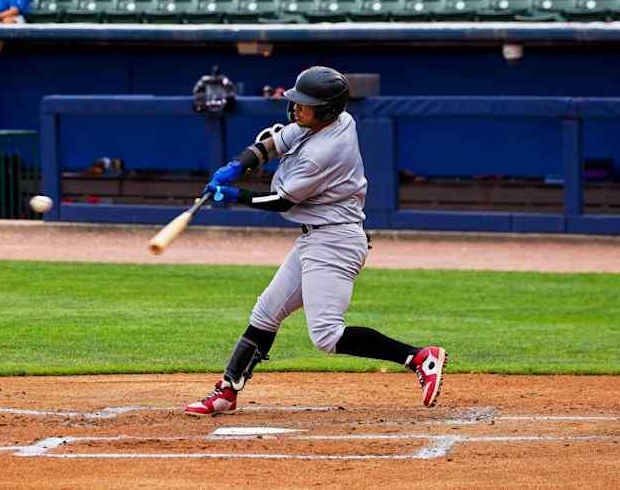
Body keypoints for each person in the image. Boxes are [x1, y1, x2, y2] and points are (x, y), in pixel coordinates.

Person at [185, 66, 448, 416]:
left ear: (325, 111)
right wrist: (237, 164)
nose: (296, 108)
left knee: (326, 335)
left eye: (304, 104)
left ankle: (419, 357)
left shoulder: (322, 153)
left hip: (335, 241)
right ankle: (227, 391)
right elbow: (275, 142)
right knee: (266, 312)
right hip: (317, 237)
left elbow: (281, 201)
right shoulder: (335, 120)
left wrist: (233, 195)